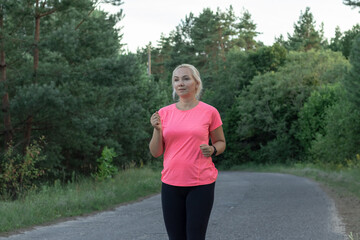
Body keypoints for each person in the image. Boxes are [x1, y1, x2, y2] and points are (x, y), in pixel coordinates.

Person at [149, 64, 226, 240]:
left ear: (196, 83)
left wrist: (213, 149)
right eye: (176, 80)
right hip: (170, 183)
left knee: (195, 237)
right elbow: (155, 152)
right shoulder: (164, 113)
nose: (180, 83)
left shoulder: (209, 112)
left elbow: (221, 142)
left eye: (185, 78)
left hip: (201, 184)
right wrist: (156, 129)